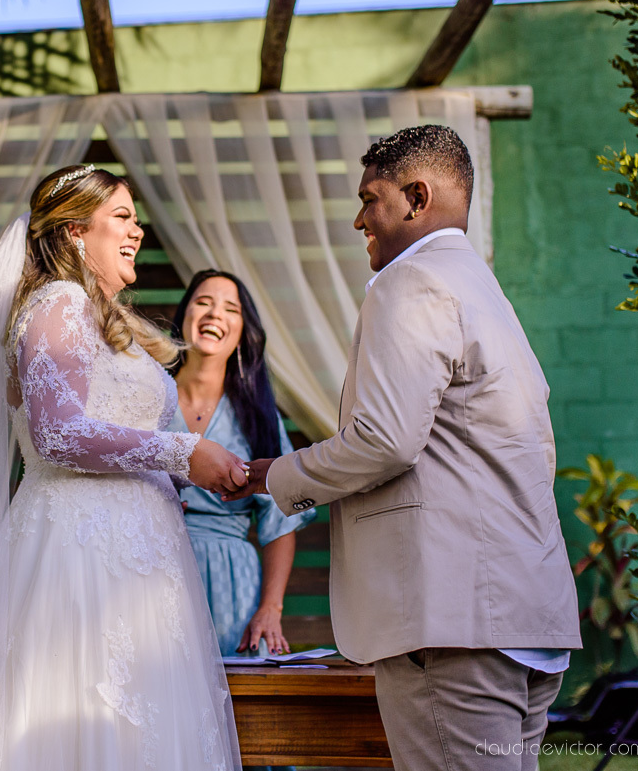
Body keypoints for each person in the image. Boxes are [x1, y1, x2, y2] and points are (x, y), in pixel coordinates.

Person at [0, 164, 246, 771]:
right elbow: (58, 434)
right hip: (78, 560)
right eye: (122, 216)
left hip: (141, 568)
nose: (137, 231)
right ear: (74, 230)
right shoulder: (57, 303)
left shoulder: (104, 321)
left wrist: (218, 466)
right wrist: (183, 453)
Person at [230, 125, 581, 771]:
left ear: (416, 197)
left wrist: (275, 475)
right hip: (521, 620)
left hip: (449, 623)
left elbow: (385, 441)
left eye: (371, 197)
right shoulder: (485, 292)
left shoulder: (409, 282)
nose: (358, 217)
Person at [169, 270, 316, 660]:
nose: (214, 313)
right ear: (183, 315)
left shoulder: (258, 417)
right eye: (202, 302)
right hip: (147, 567)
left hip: (231, 583)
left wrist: (270, 609)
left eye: (230, 308)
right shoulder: (148, 395)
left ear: (242, 331)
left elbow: (280, 521)